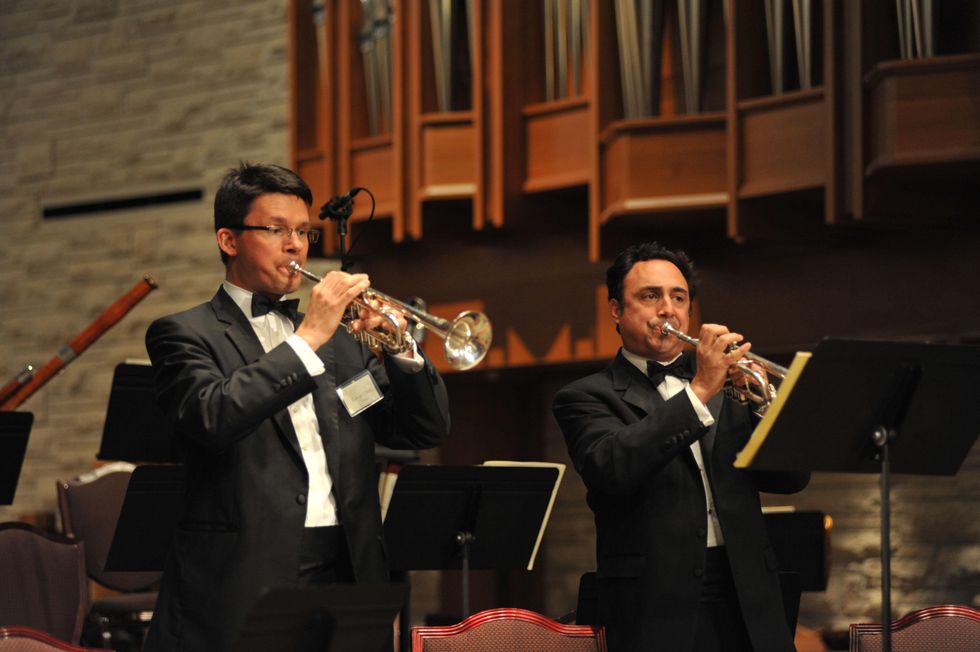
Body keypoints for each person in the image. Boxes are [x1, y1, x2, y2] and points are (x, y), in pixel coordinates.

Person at [143, 162, 450, 652]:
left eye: (304, 231)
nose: (296, 245)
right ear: (229, 240)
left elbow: (421, 431)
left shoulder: (341, 342)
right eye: (276, 230)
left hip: (349, 567)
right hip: (247, 573)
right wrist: (308, 337)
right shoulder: (184, 334)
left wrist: (401, 351)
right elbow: (212, 416)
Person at [552, 242, 809, 652]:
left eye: (678, 297)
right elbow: (612, 468)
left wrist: (765, 410)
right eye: (649, 296)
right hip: (654, 604)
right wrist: (701, 389)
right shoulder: (586, 396)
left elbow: (793, 478)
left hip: (748, 595)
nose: (667, 309)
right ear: (617, 310)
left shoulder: (729, 387)